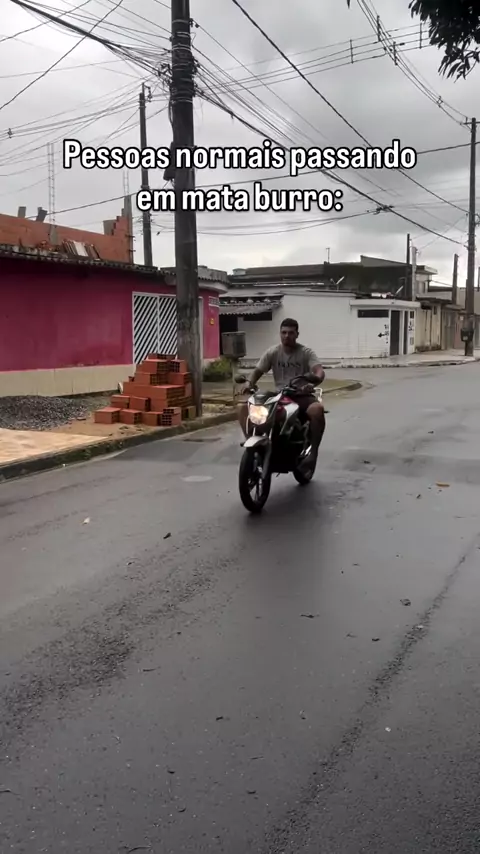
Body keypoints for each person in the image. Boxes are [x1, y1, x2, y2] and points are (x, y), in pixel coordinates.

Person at [238, 318, 326, 468]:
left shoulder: (306, 353)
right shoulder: (273, 352)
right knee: (244, 407)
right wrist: (249, 383)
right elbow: (258, 371)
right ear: (280, 334)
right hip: (280, 395)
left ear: (297, 334)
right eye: (284, 332)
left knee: (317, 410)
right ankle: (252, 443)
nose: (287, 336)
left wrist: (312, 383)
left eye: (291, 333)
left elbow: (319, 371)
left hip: (301, 394)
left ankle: (313, 454)